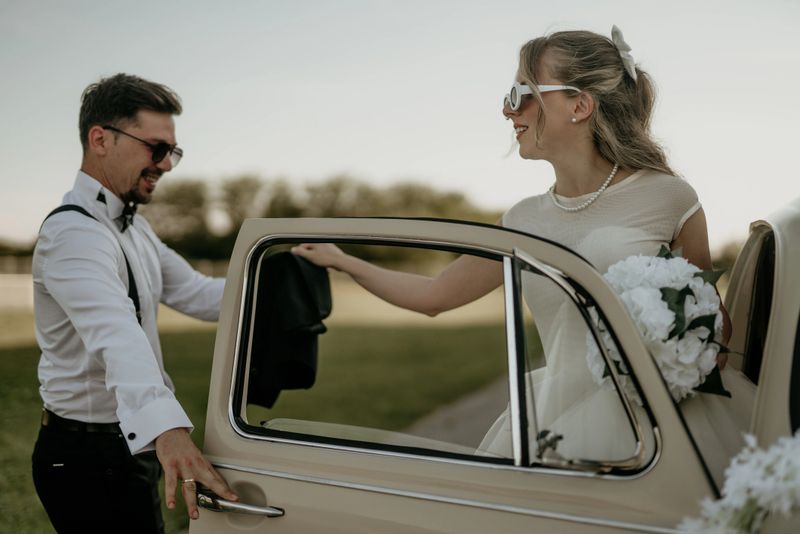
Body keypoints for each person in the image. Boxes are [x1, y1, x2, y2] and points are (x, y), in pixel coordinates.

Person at [292, 27, 752, 480]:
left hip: (667, 428)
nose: (507, 110)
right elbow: (434, 295)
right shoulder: (523, 219)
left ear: (580, 105)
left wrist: (671, 335)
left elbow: (716, 333)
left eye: (520, 93)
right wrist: (341, 259)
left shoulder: (669, 197)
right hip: (557, 421)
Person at [32, 73, 237, 533]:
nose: (166, 165)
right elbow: (115, 333)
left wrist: (287, 272)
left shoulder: (135, 228)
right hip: (84, 456)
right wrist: (167, 428)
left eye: (172, 153)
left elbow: (201, 295)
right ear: (101, 139)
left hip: (129, 447)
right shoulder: (74, 235)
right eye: (157, 148)